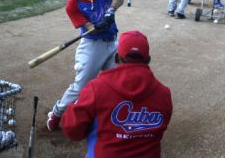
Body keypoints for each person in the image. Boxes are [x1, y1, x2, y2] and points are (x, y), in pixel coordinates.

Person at [61, 30, 173, 158]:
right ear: (148, 60)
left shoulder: (96, 88)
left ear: (116, 58)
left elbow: (72, 132)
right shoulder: (164, 94)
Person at [47, 0, 125, 131]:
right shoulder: (71, 6)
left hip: (112, 43)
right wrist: (98, 25)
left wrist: (111, 11)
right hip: (92, 46)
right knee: (81, 87)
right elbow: (89, 28)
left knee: (118, 82)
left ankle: (109, 118)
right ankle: (57, 112)